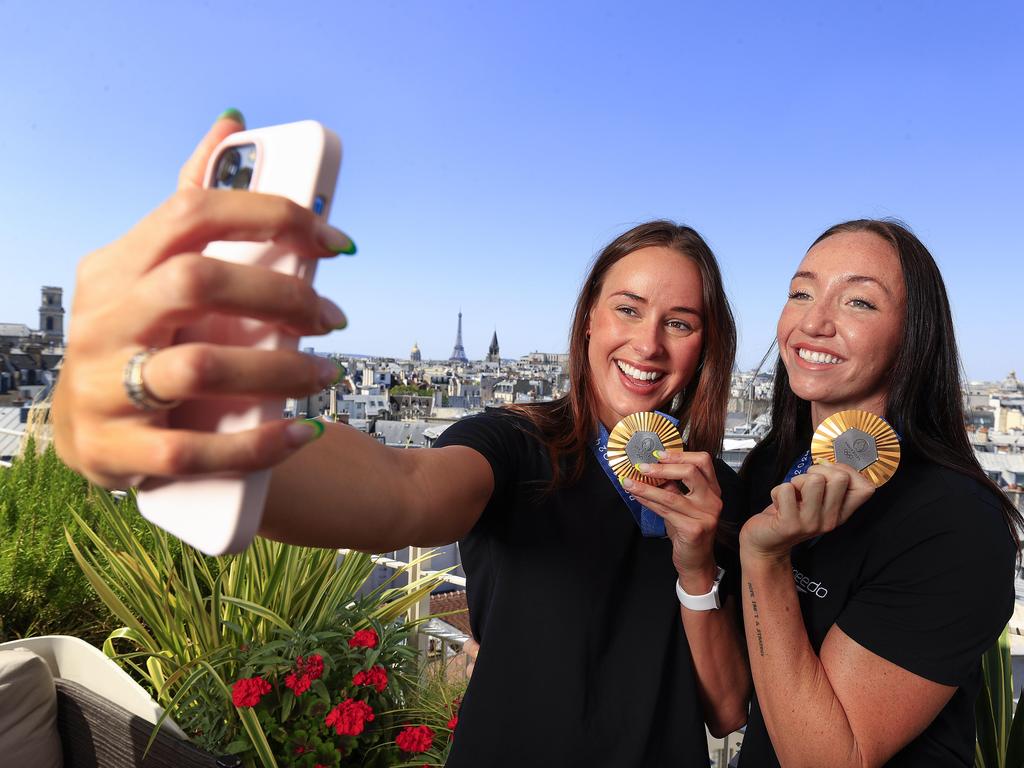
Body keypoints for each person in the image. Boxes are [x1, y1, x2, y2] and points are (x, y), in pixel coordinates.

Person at [52, 112, 751, 766]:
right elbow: (404, 489)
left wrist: (695, 566)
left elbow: (723, 710)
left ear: (704, 347)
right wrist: (184, 424)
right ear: (590, 322)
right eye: (628, 309)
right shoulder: (516, 443)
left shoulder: (716, 491)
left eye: (680, 323)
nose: (649, 343)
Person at [736, 220, 1021, 767]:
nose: (813, 322)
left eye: (859, 302)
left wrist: (764, 558)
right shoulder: (771, 464)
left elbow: (828, 761)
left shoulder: (957, 524)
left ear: (913, 335)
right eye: (800, 292)